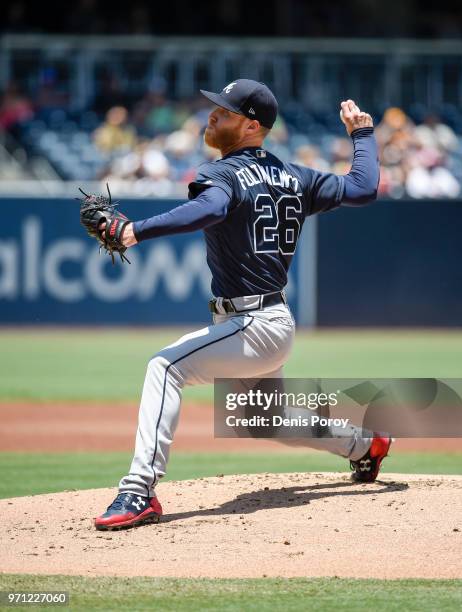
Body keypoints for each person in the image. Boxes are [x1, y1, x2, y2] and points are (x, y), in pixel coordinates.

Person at [94, 79, 391, 530]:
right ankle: (366, 445)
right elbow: (364, 187)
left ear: (252, 126)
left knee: (164, 367)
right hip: (269, 322)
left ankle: (139, 491)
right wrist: (363, 136)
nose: (212, 116)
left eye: (225, 113)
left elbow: (209, 210)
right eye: (215, 109)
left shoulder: (222, 174)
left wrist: (135, 230)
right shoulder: (298, 176)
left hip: (253, 324)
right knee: (264, 417)